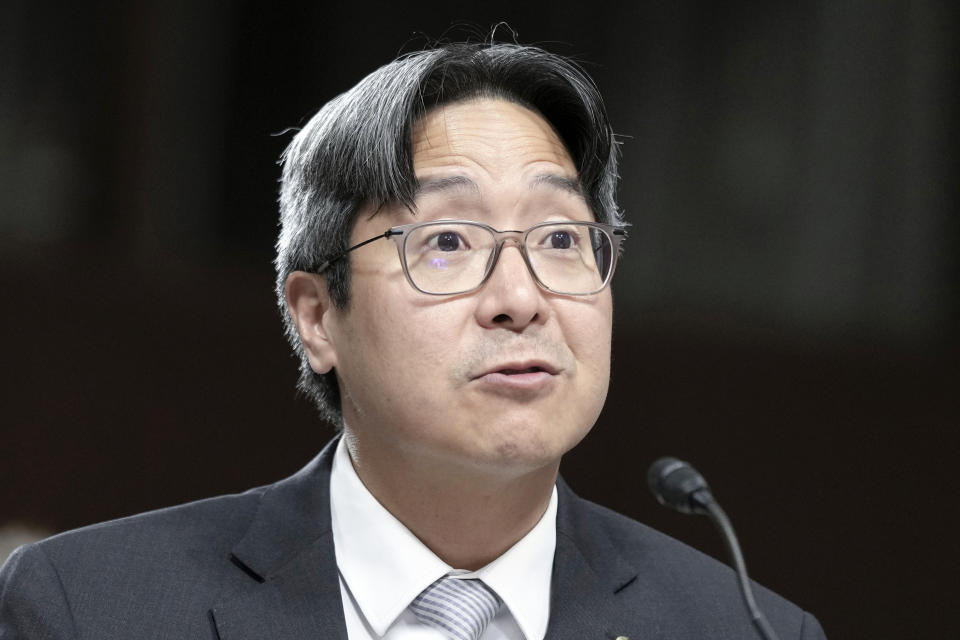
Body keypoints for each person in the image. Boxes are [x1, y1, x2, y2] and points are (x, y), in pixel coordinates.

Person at [0, 41, 826, 639]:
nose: (520, 300)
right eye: (448, 242)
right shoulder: (90, 608)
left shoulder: (744, 628)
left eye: (562, 239)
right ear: (318, 315)